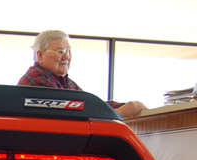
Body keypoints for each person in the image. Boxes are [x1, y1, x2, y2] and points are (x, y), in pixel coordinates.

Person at [18, 30, 147, 119]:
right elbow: (70, 116)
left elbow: (91, 104)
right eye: (60, 51)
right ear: (40, 55)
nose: (67, 56)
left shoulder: (67, 83)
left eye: (69, 51)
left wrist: (128, 106)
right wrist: (119, 113)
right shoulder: (36, 78)